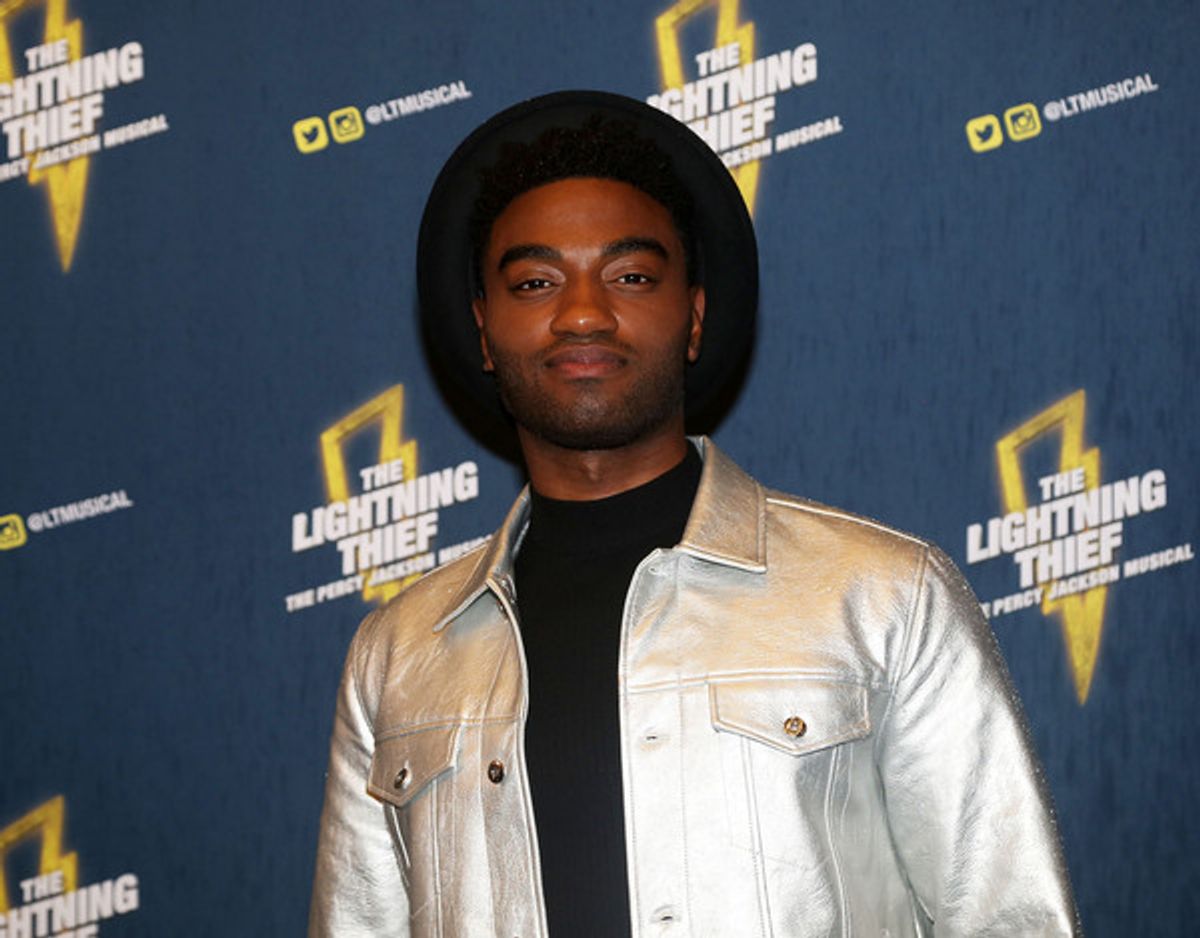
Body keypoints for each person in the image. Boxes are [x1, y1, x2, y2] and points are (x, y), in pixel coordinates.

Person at [309, 90, 1079, 937]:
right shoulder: (396, 654)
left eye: (631, 276)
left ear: (694, 316)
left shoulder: (885, 597)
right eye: (535, 282)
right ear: (484, 332)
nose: (582, 313)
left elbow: (1009, 917)